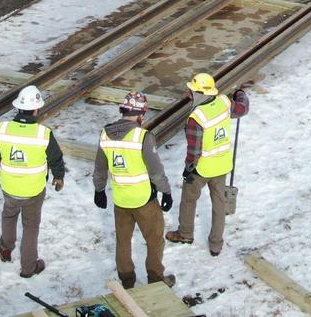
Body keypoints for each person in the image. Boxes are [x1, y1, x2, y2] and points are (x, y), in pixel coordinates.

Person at [93, 92, 175, 290]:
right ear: (141, 114)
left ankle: (127, 281)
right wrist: (166, 192)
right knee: (154, 240)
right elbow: (155, 171)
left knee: (123, 241)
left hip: (120, 200)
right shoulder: (142, 136)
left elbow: (100, 167)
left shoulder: (105, 134)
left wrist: (99, 190)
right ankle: (156, 280)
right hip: (144, 199)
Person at [0, 85, 65, 279]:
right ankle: (29, 267)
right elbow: (56, 158)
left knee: (9, 216)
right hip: (33, 190)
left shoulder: (2, 129)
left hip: (9, 187)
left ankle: (5, 248)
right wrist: (58, 176)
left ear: (17, 108)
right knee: (31, 226)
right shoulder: (43, 134)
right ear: (36, 110)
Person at [166, 73, 249, 258]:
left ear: (199, 94)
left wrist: (188, 169)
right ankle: (216, 244)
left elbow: (194, 151)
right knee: (219, 204)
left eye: (192, 91)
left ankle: (185, 234)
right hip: (222, 164)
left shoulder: (197, 118)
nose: (188, 94)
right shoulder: (225, 103)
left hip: (202, 169)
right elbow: (242, 109)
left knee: (188, 200)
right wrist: (241, 93)